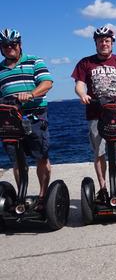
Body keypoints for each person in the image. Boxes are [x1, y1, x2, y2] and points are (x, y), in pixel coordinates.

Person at [71, 26, 116, 203]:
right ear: (96, 43)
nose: (104, 43)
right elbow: (79, 84)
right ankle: (103, 189)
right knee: (99, 152)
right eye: (100, 40)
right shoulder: (86, 63)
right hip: (95, 113)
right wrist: (82, 94)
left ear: (112, 43)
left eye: (107, 40)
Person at [0, 29, 53, 210]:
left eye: (12, 45)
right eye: (5, 46)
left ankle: (43, 197)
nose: (9, 48)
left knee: (41, 157)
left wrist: (30, 94)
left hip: (34, 117)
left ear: (19, 45)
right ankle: (21, 197)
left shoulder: (34, 61)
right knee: (18, 159)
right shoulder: (0, 69)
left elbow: (46, 83)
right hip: (10, 119)